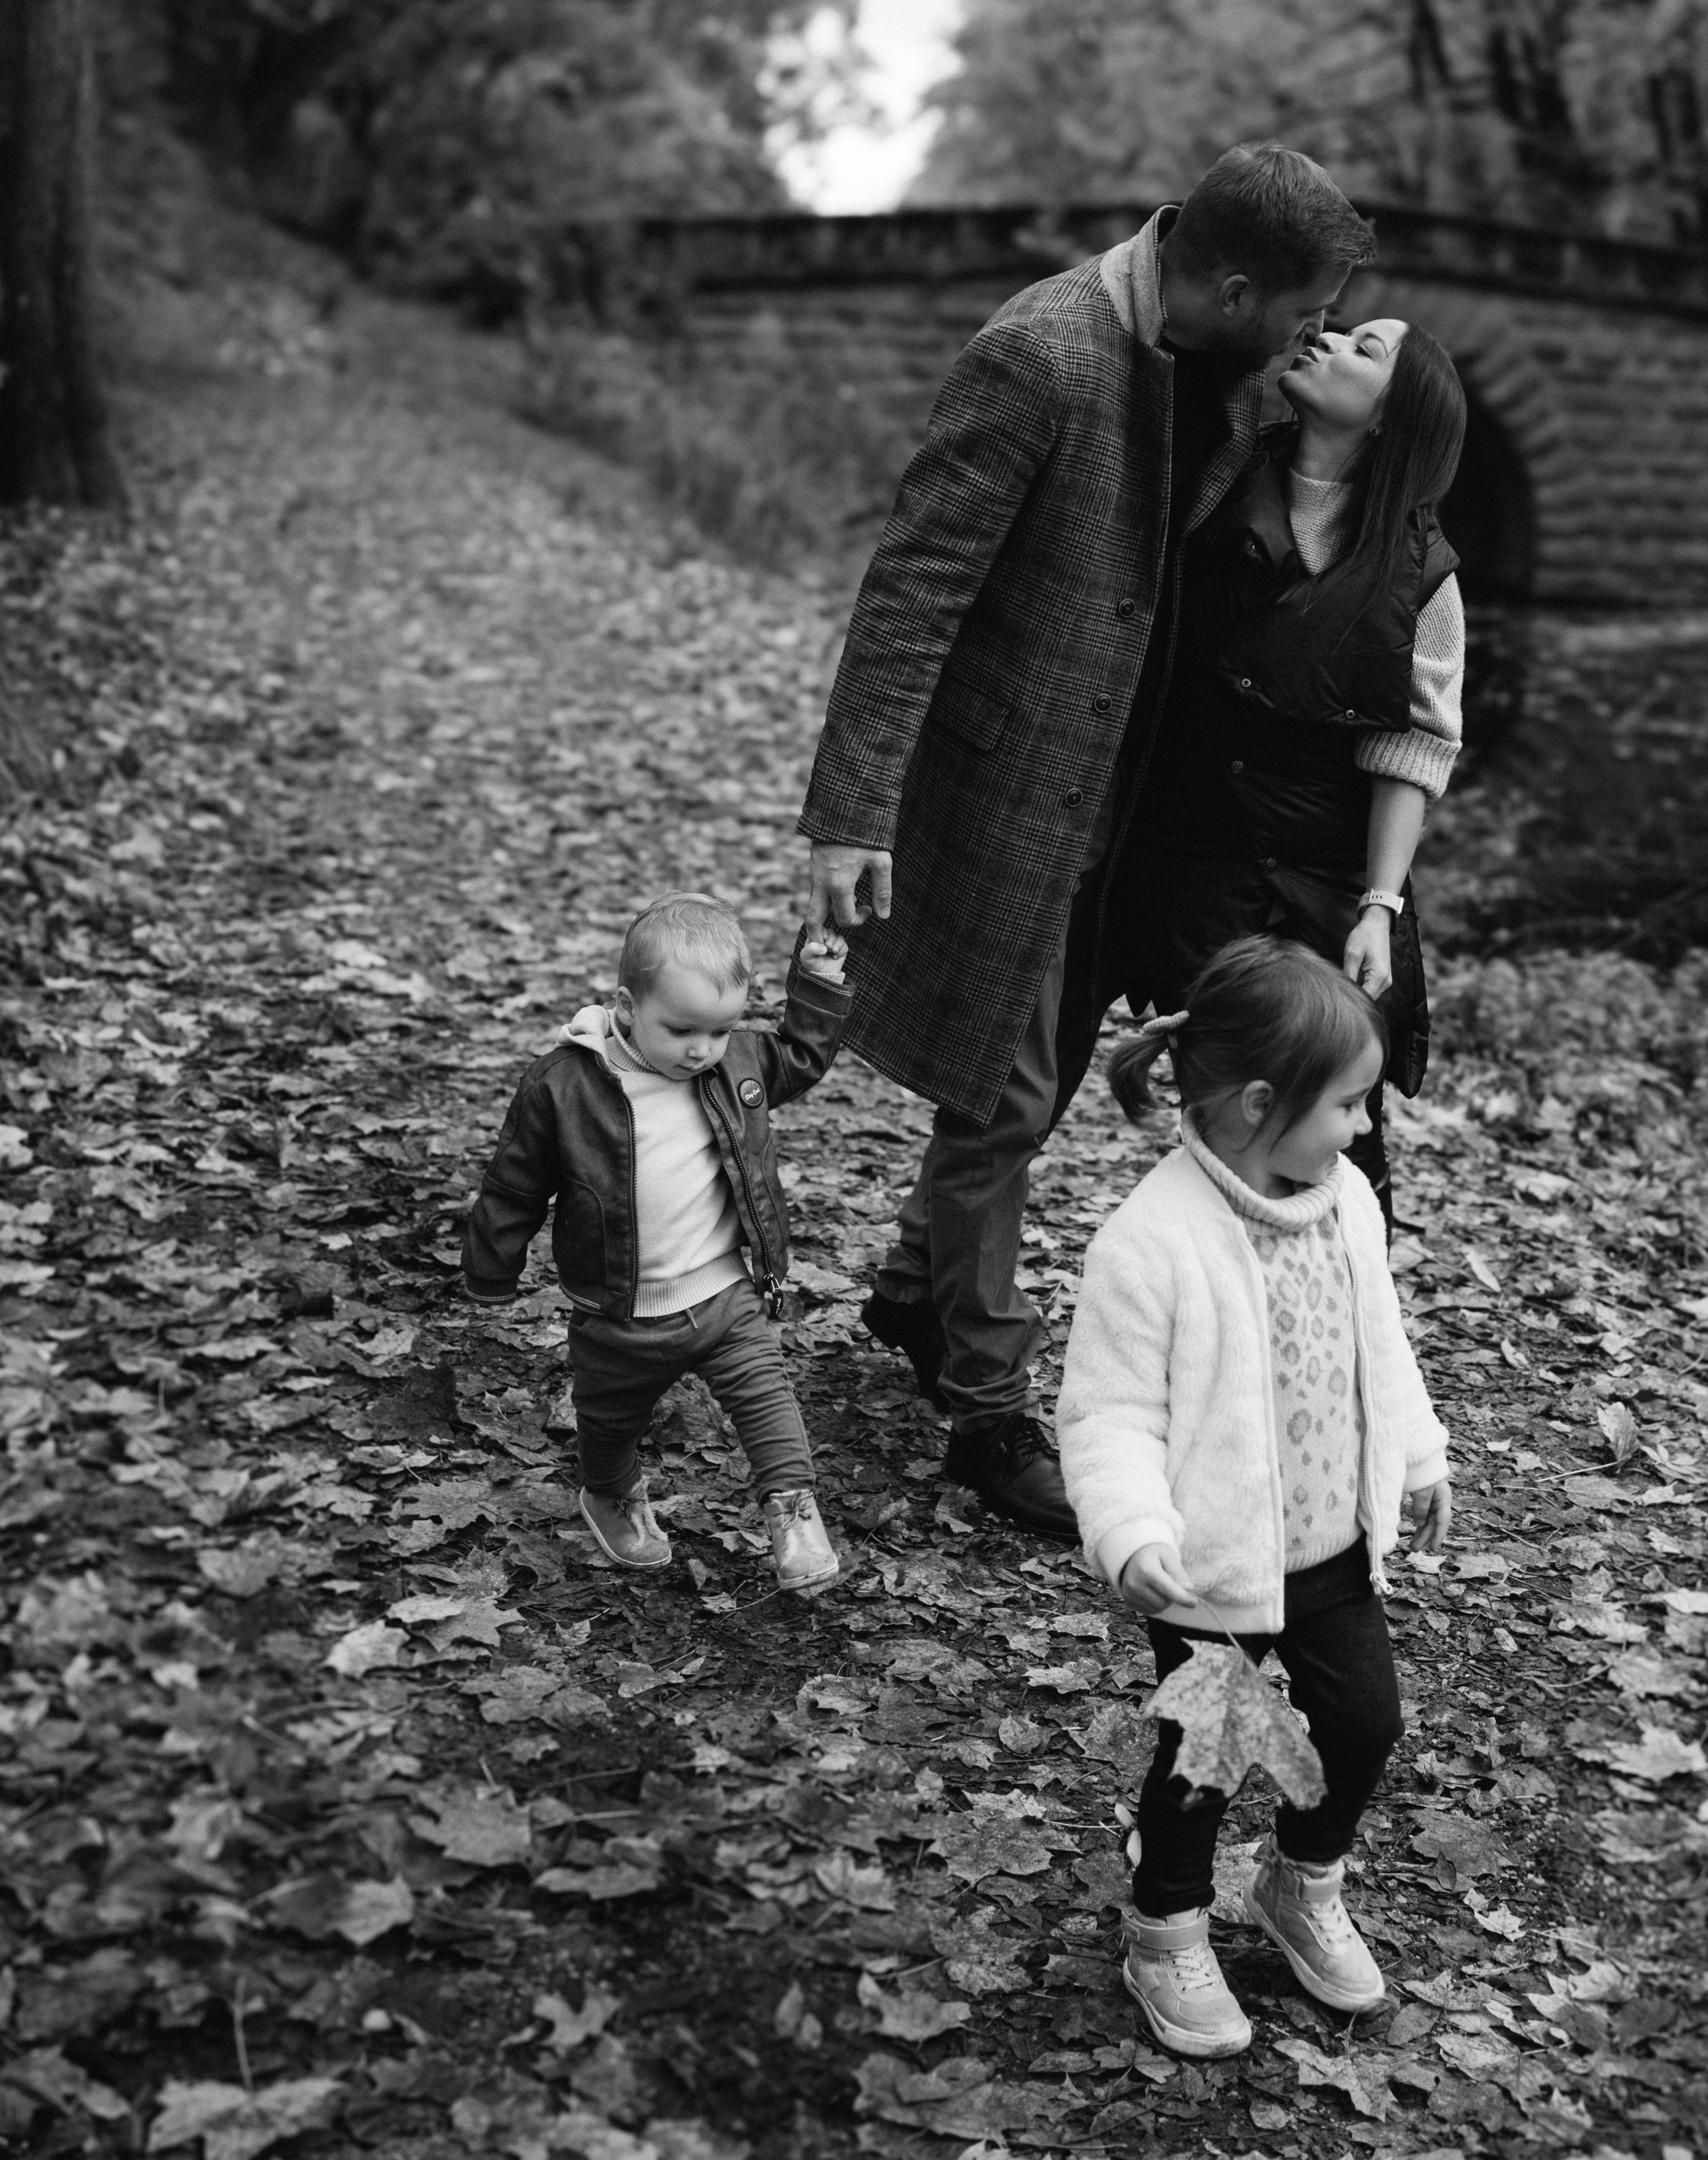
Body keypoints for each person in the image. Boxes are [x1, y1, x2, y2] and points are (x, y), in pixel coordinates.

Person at [798, 145, 1378, 1538]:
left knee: (1030, 1090)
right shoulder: (1042, 353)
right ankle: (987, 1412)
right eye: (1301, 314)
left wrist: (1343, 437)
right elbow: (914, 588)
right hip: (1006, 798)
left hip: (1133, 812)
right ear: (1232, 285)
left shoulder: (1239, 374)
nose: (1310, 341)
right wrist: (850, 810)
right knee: (1002, 1095)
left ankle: (907, 1290)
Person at [1056, 936, 1450, 2057]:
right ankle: (1167, 1928)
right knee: (1207, 1762)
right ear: (1258, 1105)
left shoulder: (1346, 1206)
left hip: (1333, 1543)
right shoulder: (1154, 1240)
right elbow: (1110, 1412)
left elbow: (1384, 1347)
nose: (1364, 1129)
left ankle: (1300, 1884)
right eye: (1350, 1105)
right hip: (1214, 1568)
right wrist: (1129, 1528)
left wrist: (1419, 1455)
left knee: (1365, 1724)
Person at [1104, 315, 1467, 1234]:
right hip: (1189, 855)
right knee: (1228, 1109)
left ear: (1393, 417)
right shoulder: (1213, 482)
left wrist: (1378, 910)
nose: (1329, 338)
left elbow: (1413, 750)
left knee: (1338, 1116)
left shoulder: (1421, 570)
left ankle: (1347, 1326)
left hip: (1323, 874)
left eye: (1365, 350)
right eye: (1338, 328)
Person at [459, 894, 851, 1595]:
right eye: (683, 1030)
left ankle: (793, 1511)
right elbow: (515, 1185)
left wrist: (817, 985)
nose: (703, 1049)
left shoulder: (735, 1066)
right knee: (609, 1423)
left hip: (725, 1291)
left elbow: (801, 1057)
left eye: (722, 1030)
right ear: (628, 1006)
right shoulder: (565, 1086)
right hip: (620, 1312)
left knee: (769, 1401)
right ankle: (610, 1494)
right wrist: (492, 1269)